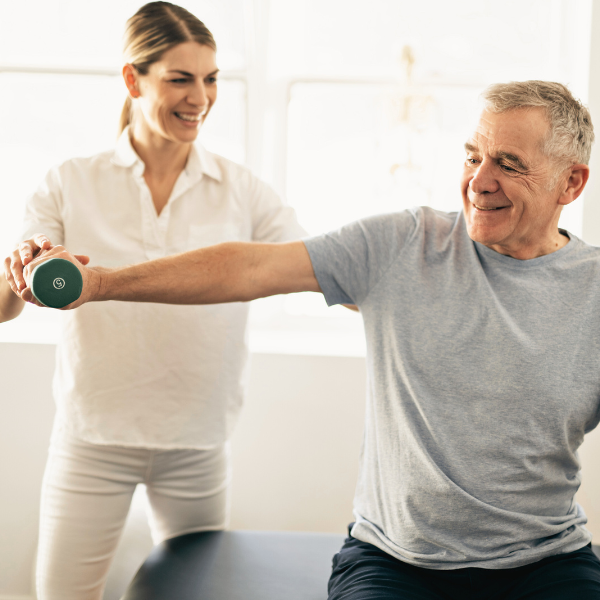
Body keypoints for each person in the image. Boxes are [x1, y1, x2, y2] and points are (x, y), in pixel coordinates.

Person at [8, 80, 600, 598]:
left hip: (545, 562)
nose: (478, 181)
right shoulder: (404, 245)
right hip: (397, 563)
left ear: (570, 183)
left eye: (508, 164)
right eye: (473, 155)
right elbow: (247, 268)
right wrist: (101, 282)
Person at [0, 2, 306, 599]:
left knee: (198, 594)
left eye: (211, 78)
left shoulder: (242, 191)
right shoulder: (70, 180)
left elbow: (316, 268)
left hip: (195, 443)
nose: (201, 97)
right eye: (180, 78)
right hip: (92, 439)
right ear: (133, 79)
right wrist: (17, 272)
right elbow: (7, 306)